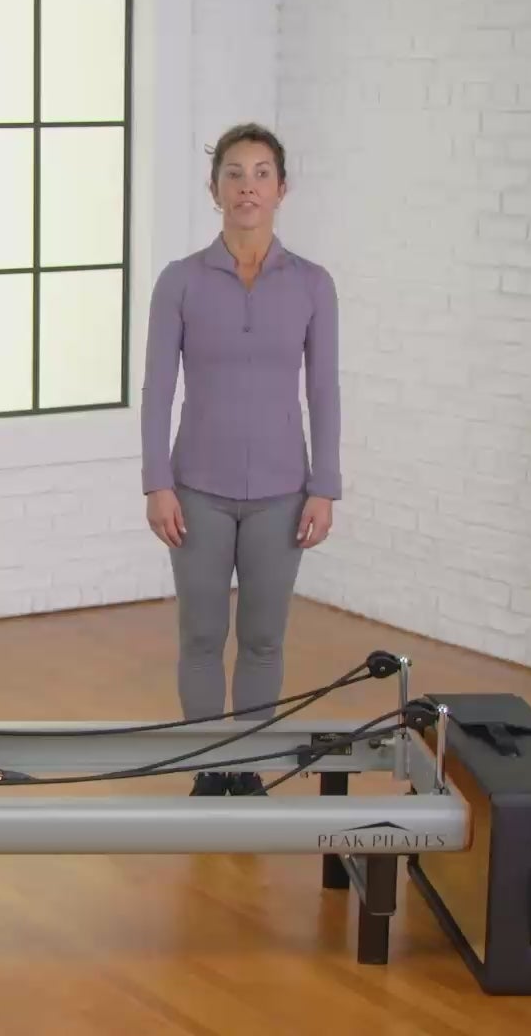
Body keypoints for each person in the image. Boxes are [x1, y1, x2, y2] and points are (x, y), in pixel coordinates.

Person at [139, 123, 341, 796]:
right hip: (195, 489)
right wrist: (157, 483)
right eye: (234, 174)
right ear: (214, 188)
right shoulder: (179, 282)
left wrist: (325, 486)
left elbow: (324, 390)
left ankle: (246, 767)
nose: (247, 187)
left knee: (262, 640)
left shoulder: (312, 285)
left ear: (281, 189)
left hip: (283, 494)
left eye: (261, 174)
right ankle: (207, 766)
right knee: (201, 637)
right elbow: (158, 389)